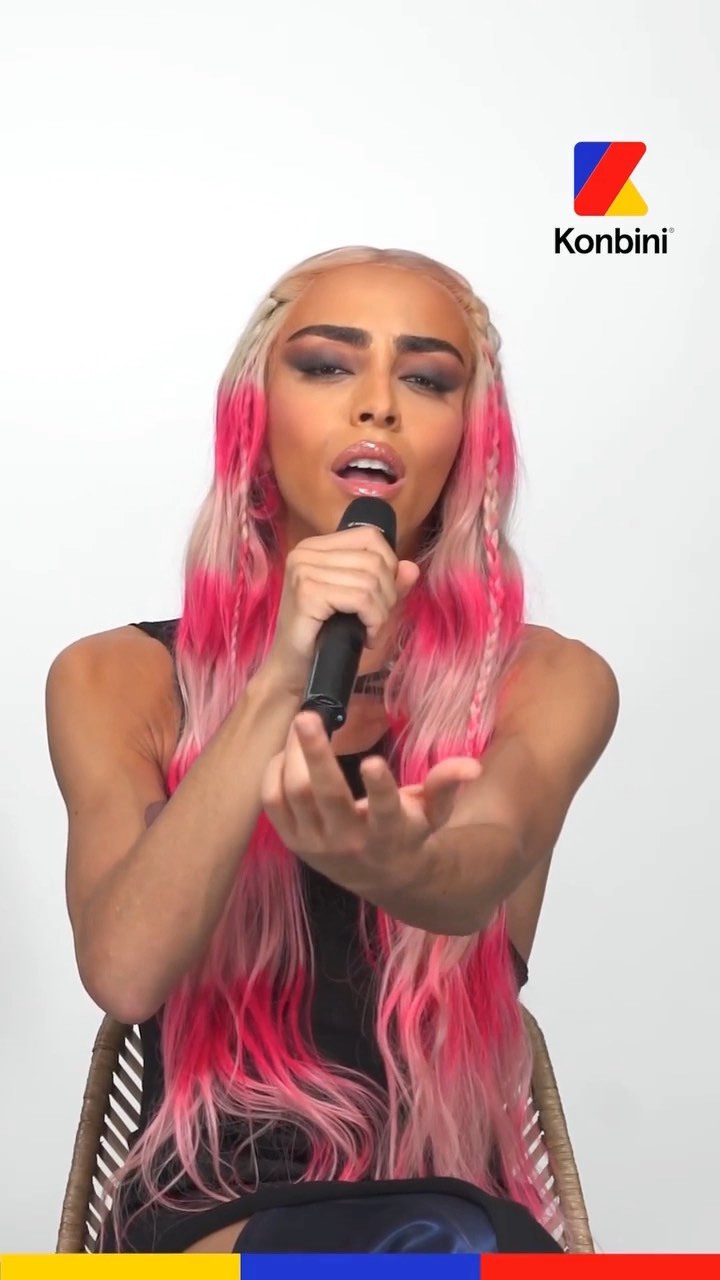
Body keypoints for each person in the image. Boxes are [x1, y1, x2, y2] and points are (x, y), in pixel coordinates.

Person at [45, 245, 619, 1254]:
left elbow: (481, 861)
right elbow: (126, 972)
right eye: (326, 365)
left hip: (457, 1206)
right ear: (255, 412)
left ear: (469, 437)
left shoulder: (546, 679)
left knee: (438, 1241)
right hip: (213, 1214)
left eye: (428, 379)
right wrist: (279, 677)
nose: (378, 405)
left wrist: (404, 868)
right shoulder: (113, 678)